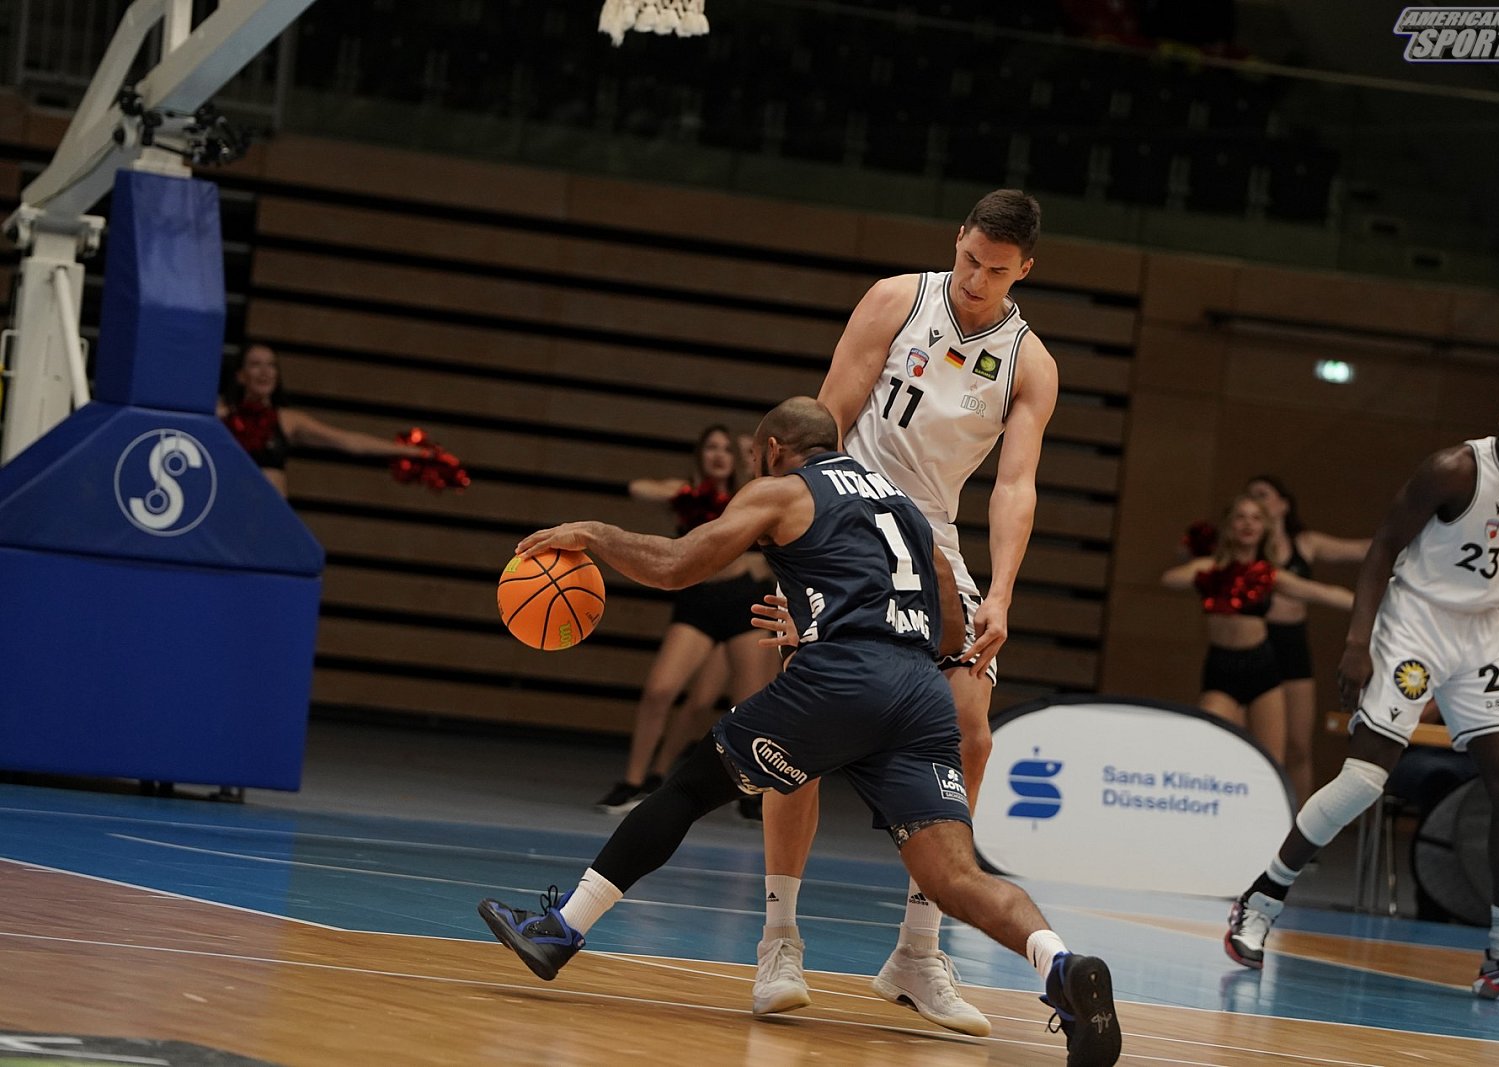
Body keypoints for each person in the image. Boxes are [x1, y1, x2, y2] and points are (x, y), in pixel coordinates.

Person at [478, 397, 1123, 1066]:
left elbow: (674, 564)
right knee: (957, 876)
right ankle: (1060, 965)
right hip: (922, 695)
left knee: (690, 787)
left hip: (842, 680)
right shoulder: (904, 507)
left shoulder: (784, 491)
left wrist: (593, 534)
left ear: (773, 450)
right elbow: (952, 630)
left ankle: (561, 929)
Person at [751, 189, 1059, 1036]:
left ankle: (918, 951)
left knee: (971, 732)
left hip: (938, 544)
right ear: (957, 239)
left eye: (996, 270)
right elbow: (823, 426)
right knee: (800, 733)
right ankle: (779, 940)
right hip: (851, 523)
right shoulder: (896, 299)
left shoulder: (1030, 363)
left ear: (1024, 270)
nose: (976, 278)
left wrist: (1001, 591)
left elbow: (1016, 486)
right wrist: (797, 550)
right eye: (969, 259)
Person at [1225, 373, 1499, 1012]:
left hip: (1482, 631)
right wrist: (1357, 641)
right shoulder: (1455, 469)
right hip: (1416, 619)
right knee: (1364, 780)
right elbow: (1383, 548)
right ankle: (1261, 899)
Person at [595, 425, 776, 814]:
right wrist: (684, 493)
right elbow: (638, 488)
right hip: (698, 604)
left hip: (744, 604)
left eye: (726, 449)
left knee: (742, 705)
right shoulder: (687, 494)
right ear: (700, 454)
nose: (719, 455)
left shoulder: (750, 496)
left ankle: (748, 792)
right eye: (711, 447)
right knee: (660, 689)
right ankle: (634, 781)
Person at [1160, 495, 1353, 766]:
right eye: (1240, 517)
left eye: (1256, 518)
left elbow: (1323, 593)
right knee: (1210, 746)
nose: (1248, 524)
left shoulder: (1268, 575)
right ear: (1229, 526)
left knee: (1270, 760)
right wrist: (1213, 573)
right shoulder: (1209, 568)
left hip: (1261, 666)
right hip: (1222, 666)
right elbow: (1169, 579)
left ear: (1264, 528)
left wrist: (1372, 606)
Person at [1245, 475, 1371, 805]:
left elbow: (1359, 550)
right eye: (1250, 496)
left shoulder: (1305, 542)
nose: (1256, 500)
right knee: (1262, 744)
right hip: (1257, 641)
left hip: (1292, 643)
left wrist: (1407, 536)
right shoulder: (1247, 545)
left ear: (1283, 504)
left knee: (1298, 746)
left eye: (1263, 494)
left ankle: (1300, 823)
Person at [217, 342, 433, 496]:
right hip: (227, 510)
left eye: (271, 365)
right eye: (255, 365)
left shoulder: (289, 420)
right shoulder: (221, 415)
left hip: (270, 520)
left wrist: (411, 451)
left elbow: (349, 441)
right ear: (241, 375)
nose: (265, 372)